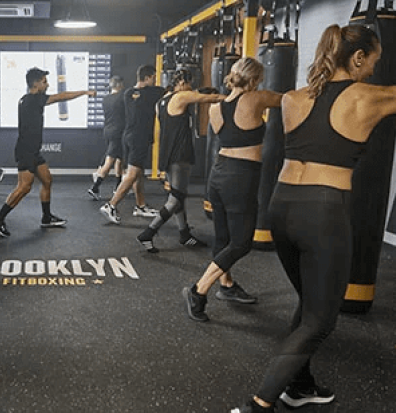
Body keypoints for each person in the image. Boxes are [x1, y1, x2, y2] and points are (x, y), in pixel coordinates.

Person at [229, 24, 396, 413]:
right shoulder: (369, 96)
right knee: (321, 319)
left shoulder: (292, 98)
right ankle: (259, 407)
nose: (373, 70)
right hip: (323, 211)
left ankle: (299, 385)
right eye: (373, 61)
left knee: (309, 301)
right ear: (357, 58)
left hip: (282, 206)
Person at [182, 57, 282, 320]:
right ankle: (198, 290)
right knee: (241, 243)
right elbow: (286, 100)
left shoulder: (216, 108)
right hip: (240, 177)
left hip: (218, 175)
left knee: (223, 239)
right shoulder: (256, 98)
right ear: (255, 79)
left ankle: (226, 285)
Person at [0, 67, 96, 237]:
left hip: (33, 150)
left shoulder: (26, 99)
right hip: (26, 151)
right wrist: (85, 92)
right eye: (45, 82)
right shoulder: (33, 100)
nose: (48, 85)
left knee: (46, 179)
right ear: (36, 84)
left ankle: (46, 217)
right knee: (24, 187)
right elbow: (61, 96)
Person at [136, 71, 224, 252]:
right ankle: (148, 233)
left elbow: (196, 94)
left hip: (167, 153)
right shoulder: (181, 97)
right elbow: (211, 98)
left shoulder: (161, 101)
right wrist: (237, 97)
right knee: (175, 199)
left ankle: (184, 234)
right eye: (189, 83)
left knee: (178, 195)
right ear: (182, 82)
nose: (191, 88)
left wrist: (202, 90)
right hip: (179, 154)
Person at [100, 65, 163, 224]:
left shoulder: (128, 93)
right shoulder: (153, 93)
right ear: (147, 77)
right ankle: (111, 205)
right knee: (133, 174)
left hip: (128, 136)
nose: (155, 80)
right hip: (139, 138)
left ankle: (140, 206)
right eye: (154, 77)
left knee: (137, 172)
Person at [88, 75, 126, 200]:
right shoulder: (121, 97)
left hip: (108, 131)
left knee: (119, 158)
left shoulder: (106, 99)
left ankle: (118, 186)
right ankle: (95, 187)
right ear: (119, 85)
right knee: (110, 160)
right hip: (117, 132)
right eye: (122, 85)